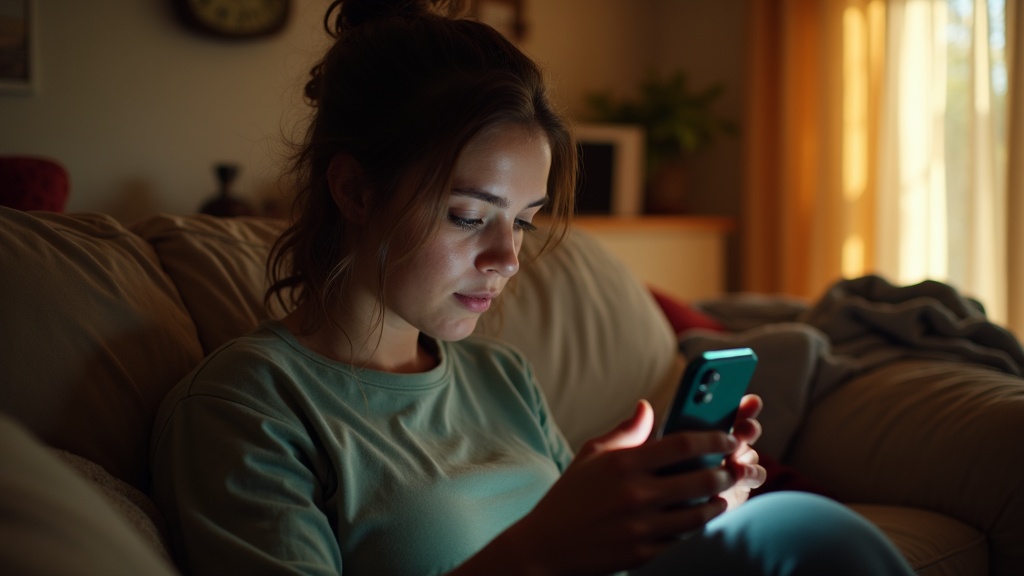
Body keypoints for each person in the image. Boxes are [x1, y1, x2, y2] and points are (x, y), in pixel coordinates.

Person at [150, 1, 917, 575]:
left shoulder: (500, 375)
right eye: (468, 216)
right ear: (353, 189)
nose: (506, 257)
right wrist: (543, 549)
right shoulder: (247, 406)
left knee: (798, 529)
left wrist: (667, 510)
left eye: (522, 221)